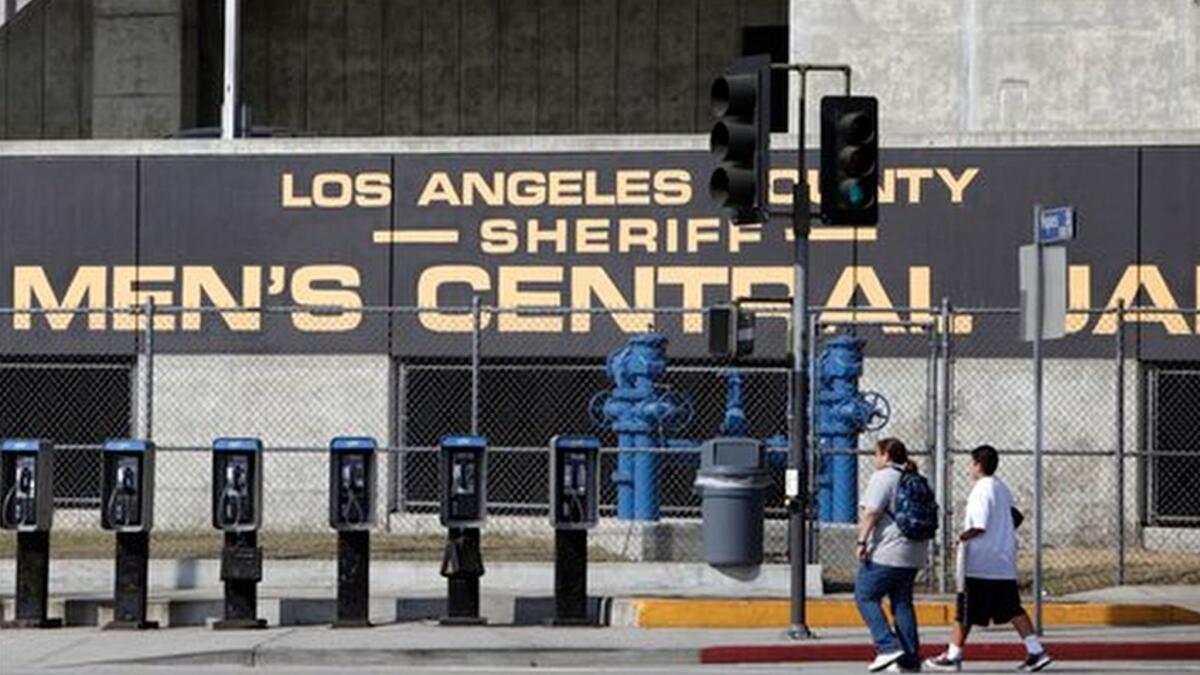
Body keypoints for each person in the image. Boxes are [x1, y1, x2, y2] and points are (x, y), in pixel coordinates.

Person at [925, 445, 1053, 672]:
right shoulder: (1001, 487)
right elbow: (1015, 517)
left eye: (971, 464)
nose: (969, 469)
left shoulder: (981, 490)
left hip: (980, 563)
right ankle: (1036, 651)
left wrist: (960, 539)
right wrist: (1000, 533)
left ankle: (953, 656)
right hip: (1002, 562)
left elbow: (979, 526)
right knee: (1013, 609)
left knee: (964, 611)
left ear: (978, 465)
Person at [856, 438, 928, 673]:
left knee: (865, 595)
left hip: (888, 551)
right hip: (914, 552)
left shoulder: (883, 477)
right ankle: (909, 659)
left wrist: (862, 541)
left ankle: (887, 646)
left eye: (877, 454)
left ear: (886, 455)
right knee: (902, 603)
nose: (875, 459)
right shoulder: (914, 477)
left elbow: (872, 512)